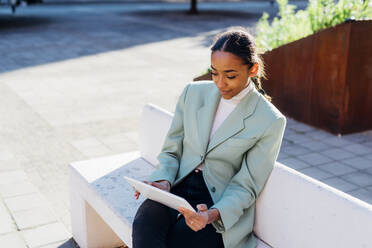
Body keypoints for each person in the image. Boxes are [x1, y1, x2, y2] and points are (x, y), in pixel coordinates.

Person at [131, 27, 286, 248]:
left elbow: (247, 185)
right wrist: (163, 181)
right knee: (145, 223)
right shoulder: (193, 93)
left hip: (218, 202)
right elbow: (171, 150)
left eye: (230, 75)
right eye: (214, 73)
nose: (220, 83)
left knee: (180, 239)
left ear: (253, 69)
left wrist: (212, 214)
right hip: (176, 186)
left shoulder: (269, 120)